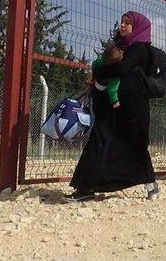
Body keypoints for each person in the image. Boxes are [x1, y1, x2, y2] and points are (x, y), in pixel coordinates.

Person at [65, 11, 159, 202]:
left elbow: (121, 69)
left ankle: (150, 183)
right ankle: (86, 189)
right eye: (121, 22)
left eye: (127, 23)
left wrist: (98, 70)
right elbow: (113, 69)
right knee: (100, 142)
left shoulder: (139, 49)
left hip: (132, 109)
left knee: (136, 145)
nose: (122, 25)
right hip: (111, 108)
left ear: (138, 27)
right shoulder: (119, 47)